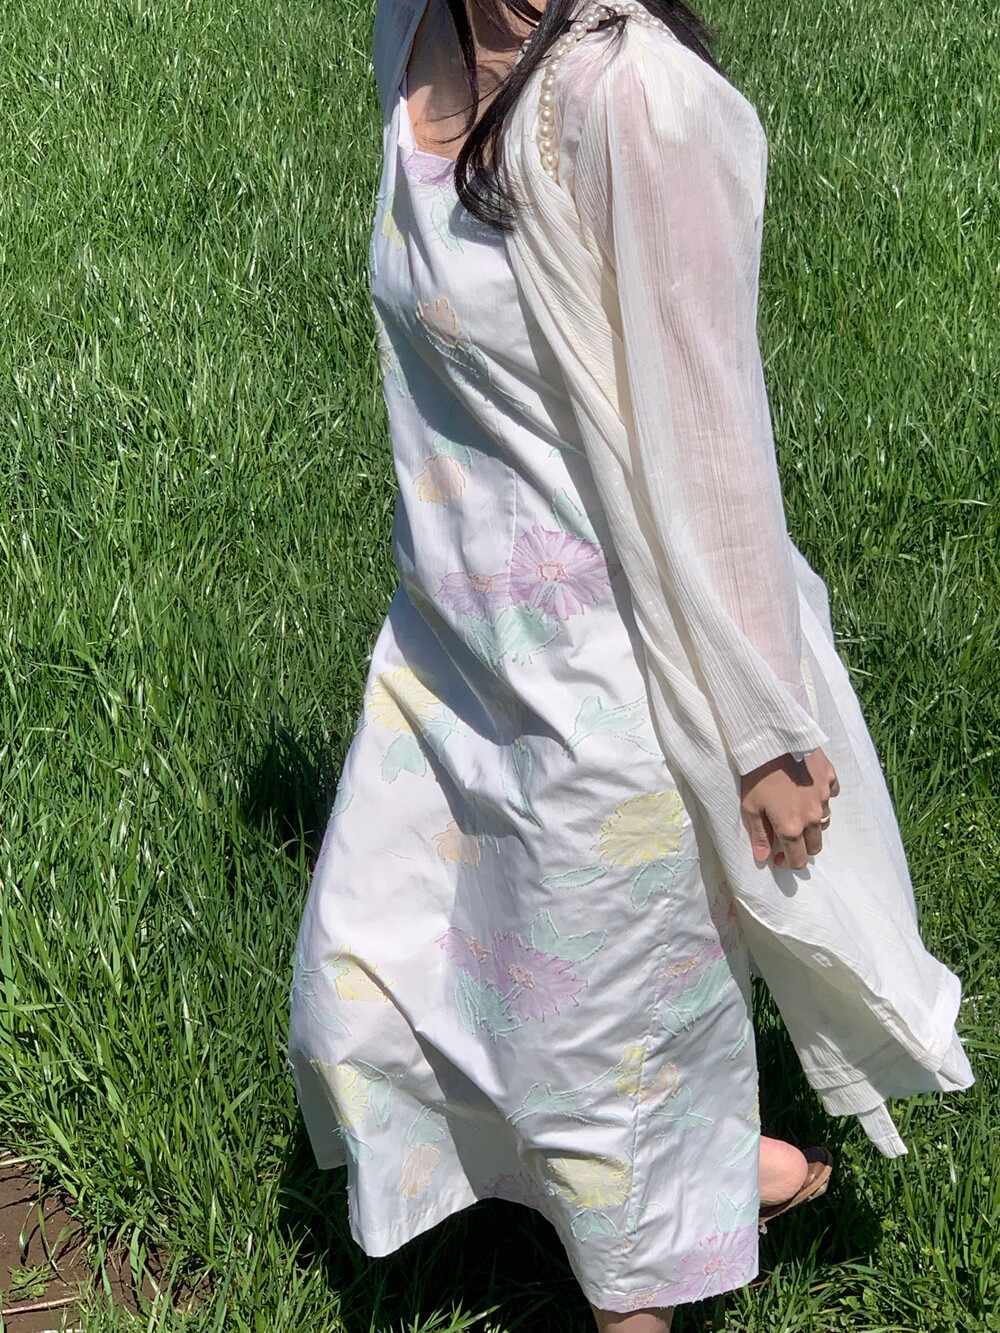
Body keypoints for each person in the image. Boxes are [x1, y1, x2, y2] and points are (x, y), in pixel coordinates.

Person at [288, 0, 973, 1327]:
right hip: (447, 654)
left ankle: (647, 1265)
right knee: (366, 1006)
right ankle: (716, 1163)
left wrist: (764, 727)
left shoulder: (630, 101)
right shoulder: (409, 32)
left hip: (608, 691)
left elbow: (717, 438)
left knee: (603, 1070)